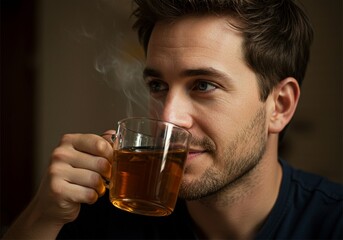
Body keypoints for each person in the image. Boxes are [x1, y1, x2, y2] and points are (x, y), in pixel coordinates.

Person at [3, 0, 343, 239]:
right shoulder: (100, 214)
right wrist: (42, 217)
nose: (168, 116)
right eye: (158, 86)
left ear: (279, 106)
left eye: (203, 85)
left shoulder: (332, 223)